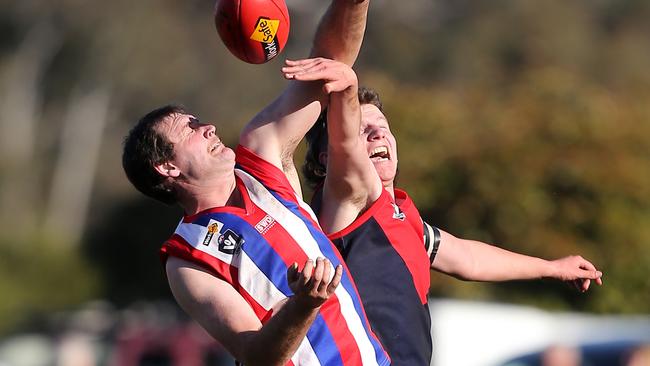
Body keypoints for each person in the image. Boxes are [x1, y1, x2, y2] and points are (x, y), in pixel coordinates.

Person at [121, 1, 392, 365]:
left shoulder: (262, 162)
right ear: (166, 166)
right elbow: (257, 357)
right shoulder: (187, 261)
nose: (209, 127)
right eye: (190, 129)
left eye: (199, 120)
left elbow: (328, 62)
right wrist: (304, 304)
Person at [285, 59, 604, 365]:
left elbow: (467, 257)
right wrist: (346, 92)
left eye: (382, 126)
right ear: (326, 158)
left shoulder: (400, 216)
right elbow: (347, 151)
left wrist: (551, 267)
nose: (378, 133)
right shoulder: (344, 204)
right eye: (361, 128)